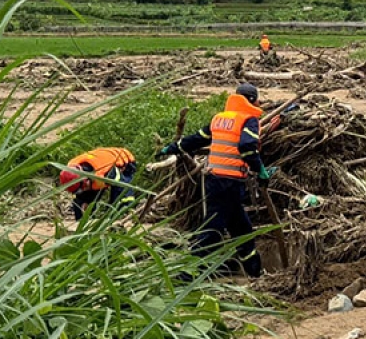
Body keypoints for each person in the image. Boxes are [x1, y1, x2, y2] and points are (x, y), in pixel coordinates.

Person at [160, 83, 274, 277]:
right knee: (212, 229)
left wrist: (174, 147)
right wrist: (261, 170)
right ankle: (187, 274)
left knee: (242, 229)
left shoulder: (220, 119)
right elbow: (247, 147)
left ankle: (255, 272)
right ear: (252, 100)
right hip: (229, 183)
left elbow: (198, 138)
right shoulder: (249, 119)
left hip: (215, 181)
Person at [60, 146, 138, 221]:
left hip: (125, 161)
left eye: (81, 189)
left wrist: (118, 213)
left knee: (121, 199)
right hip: (98, 166)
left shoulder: (106, 172)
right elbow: (80, 198)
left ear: (85, 180)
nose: (82, 191)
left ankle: (121, 217)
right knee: (81, 200)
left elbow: (122, 186)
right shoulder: (70, 171)